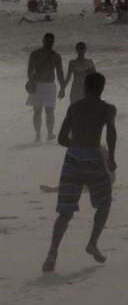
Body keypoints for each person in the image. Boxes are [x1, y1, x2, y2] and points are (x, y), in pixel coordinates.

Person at [42, 72, 116, 272]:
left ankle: (52, 253)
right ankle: (92, 243)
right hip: (93, 160)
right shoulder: (108, 109)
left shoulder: (74, 107)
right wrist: (111, 158)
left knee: (65, 212)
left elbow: (61, 139)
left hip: (72, 160)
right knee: (105, 202)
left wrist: (76, 145)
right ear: (102, 88)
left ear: (85, 88)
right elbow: (111, 134)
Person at [27, 33, 65, 142]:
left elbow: (60, 73)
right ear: (43, 41)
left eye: (51, 42)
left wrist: (62, 88)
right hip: (40, 84)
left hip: (47, 84)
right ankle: (40, 134)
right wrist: (31, 82)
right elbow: (30, 70)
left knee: (47, 111)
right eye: (48, 41)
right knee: (40, 111)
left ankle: (46, 133)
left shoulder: (54, 55)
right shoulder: (37, 54)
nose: (49, 43)